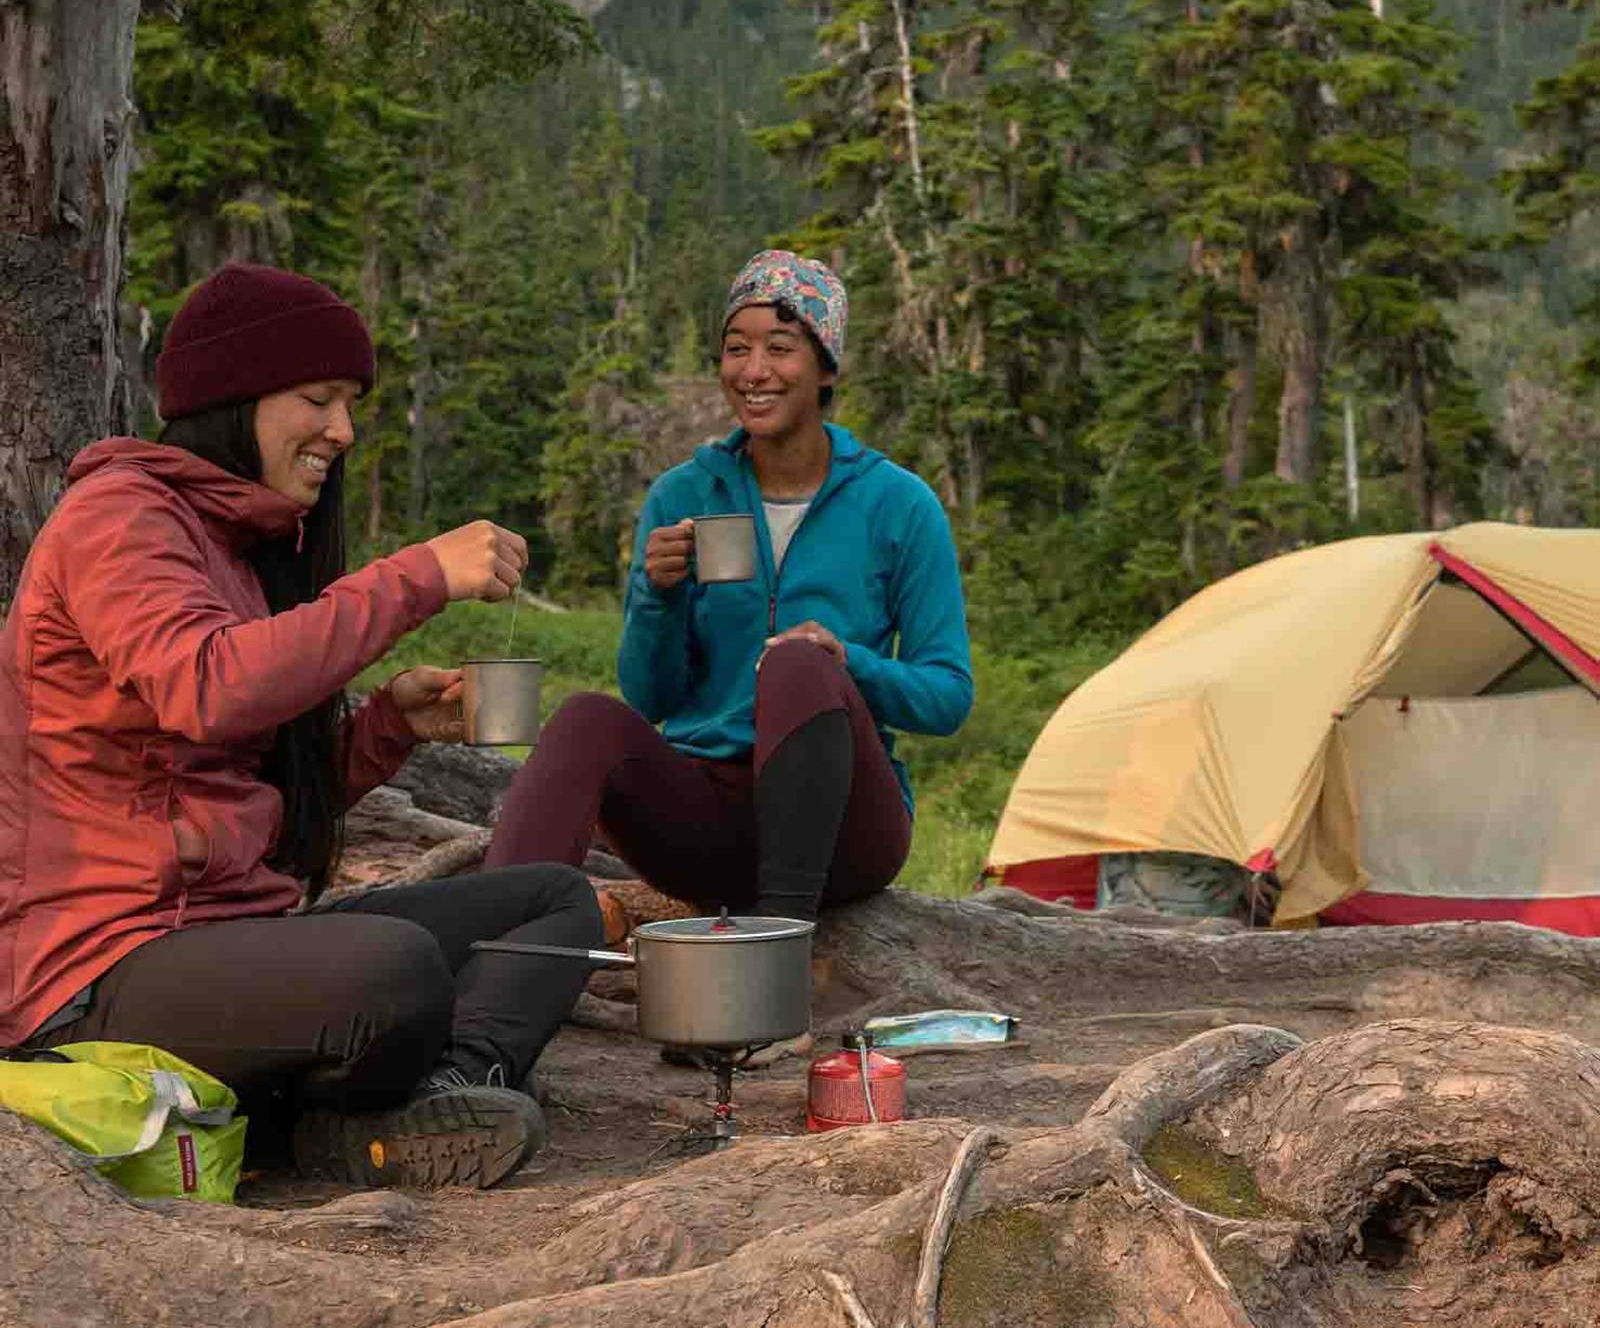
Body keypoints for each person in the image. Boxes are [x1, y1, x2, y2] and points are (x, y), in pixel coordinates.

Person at [0, 263, 602, 1190]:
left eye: (352, 403)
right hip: (97, 966)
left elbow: (259, 793)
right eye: (318, 398)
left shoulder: (245, 551)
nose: (343, 430)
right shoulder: (117, 519)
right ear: (233, 398)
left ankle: (443, 1092)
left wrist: (389, 731)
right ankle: (350, 1105)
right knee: (392, 970)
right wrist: (420, 576)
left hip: (230, 937)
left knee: (555, 898)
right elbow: (205, 688)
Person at [486, 249, 974, 926]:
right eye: (735, 348)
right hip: (708, 823)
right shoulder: (683, 495)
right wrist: (660, 596)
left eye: (780, 347)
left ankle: (775, 959)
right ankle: (495, 940)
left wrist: (847, 662)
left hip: (845, 830)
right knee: (584, 720)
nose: (753, 371)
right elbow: (650, 698)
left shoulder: (899, 505)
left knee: (798, 665)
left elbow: (948, 696)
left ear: (825, 364)